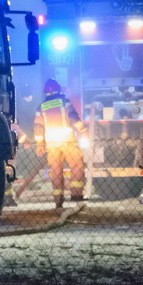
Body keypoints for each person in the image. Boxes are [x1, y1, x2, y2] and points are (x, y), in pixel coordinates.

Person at [33, 79, 87, 209]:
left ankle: (58, 200)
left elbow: (38, 127)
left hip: (51, 143)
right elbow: (74, 118)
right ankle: (76, 196)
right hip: (67, 140)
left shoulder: (41, 107)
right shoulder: (65, 102)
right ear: (59, 89)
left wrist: (39, 145)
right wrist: (83, 131)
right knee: (77, 167)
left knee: (56, 171)